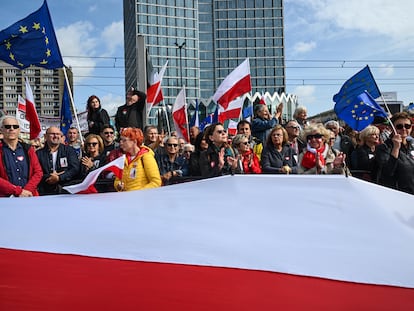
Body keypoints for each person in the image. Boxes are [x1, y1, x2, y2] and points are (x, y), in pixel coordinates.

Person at [0, 116, 42, 197]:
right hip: (5, 199)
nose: (12, 129)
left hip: (29, 196)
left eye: (15, 127)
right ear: (1, 130)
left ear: (19, 130)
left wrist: (27, 190)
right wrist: (17, 191)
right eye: (7, 126)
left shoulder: (28, 149)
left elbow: (38, 172)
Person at [375, 112, 414, 194]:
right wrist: (396, 148)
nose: (404, 129)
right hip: (398, 194)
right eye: (399, 126)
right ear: (392, 128)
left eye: (407, 126)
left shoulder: (412, 145)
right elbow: (387, 172)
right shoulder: (384, 147)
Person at [36, 126, 80, 195]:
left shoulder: (69, 150)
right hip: (45, 191)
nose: (55, 136)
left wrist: (59, 178)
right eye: (52, 134)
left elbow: (75, 169)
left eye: (58, 134)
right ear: (45, 136)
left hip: (66, 190)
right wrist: (50, 177)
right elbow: (36, 171)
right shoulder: (38, 153)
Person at [114, 127, 161, 191]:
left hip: (141, 199)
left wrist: (139, 193)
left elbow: (156, 182)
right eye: (121, 140)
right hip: (126, 198)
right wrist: (118, 185)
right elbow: (117, 180)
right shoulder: (123, 159)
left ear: (134, 141)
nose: (121, 143)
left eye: (124, 140)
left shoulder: (146, 156)